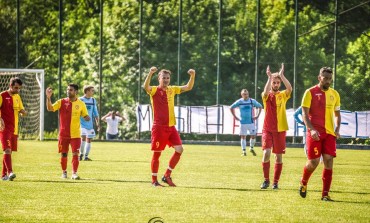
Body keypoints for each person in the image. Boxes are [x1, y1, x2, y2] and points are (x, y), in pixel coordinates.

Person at [143, 66, 195, 187]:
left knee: (179, 149)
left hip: (171, 127)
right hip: (159, 127)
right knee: (157, 153)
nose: (166, 80)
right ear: (159, 79)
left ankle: (167, 175)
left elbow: (188, 87)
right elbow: (146, 87)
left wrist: (192, 76)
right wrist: (150, 73)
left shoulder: (172, 89)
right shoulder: (155, 90)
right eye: (163, 78)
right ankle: (154, 181)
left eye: (167, 78)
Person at [299, 67, 341, 201]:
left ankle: (325, 194)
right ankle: (303, 182)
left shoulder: (335, 94)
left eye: (330, 79)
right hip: (315, 132)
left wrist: (337, 129)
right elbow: (304, 114)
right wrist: (311, 129)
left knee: (329, 161)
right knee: (314, 162)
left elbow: (337, 114)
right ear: (319, 78)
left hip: (329, 134)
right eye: (325, 78)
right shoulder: (309, 92)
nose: (328, 81)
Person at [46, 84, 90, 180]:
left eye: (71, 90)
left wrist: (87, 117)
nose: (68, 91)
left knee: (75, 153)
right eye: (67, 90)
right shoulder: (61, 102)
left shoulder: (81, 104)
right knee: (64, 154)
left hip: (76, 134)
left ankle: (74, 173)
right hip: (63, 134)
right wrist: (48, 98)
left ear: (76, 92)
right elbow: (50, 108)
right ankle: (64, 172)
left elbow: (85, 115)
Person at [260, 63, 292, 190]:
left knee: (278, 156)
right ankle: (266, 180)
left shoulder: (283, 95)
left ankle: (275, 182)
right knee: (266, 153)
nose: (276, 84)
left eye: (278, 82)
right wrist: (269, 77)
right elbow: (265, 91)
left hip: (280, 130)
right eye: (274, 82)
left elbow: (289, 88)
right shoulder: (266, 96)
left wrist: (282, 75)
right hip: (267, 129)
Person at [0, 77, 27, 181]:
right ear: (10, 86)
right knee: (6, 149)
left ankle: (3, 175)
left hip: (14, 129)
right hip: (4, 128)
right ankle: (10, 172)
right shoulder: (2, 95)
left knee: (9, 152)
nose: (17, 90)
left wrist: (23, 112)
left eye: (19, 88)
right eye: (16, 87)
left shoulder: (17, 97)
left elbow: (21, 109)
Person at [230, 89, 262, 156]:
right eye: (244, 94)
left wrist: (257, 115)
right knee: (243, 137)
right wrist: (235, 116)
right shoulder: (239, 101)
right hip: (242, 123)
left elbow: (260, 106)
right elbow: (231, 107)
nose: (246, 95)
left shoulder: (252, 101)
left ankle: (251, 148)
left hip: (251, 122)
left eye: (247, 94)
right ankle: (244, 151)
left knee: (253, 136)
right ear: (242, 95)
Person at [79, 85, 100, 161]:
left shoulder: (93, 100)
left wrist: (98, 123)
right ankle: (81, 154)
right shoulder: (80, 100)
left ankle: (86, 156)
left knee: (89, 139)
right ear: (87, 91)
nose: (93, 92)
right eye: (92, 90)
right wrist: (84, 116)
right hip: (81, 124)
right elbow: (77, 111)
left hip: (90, 124)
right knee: (83, 137)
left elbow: (95, 112)